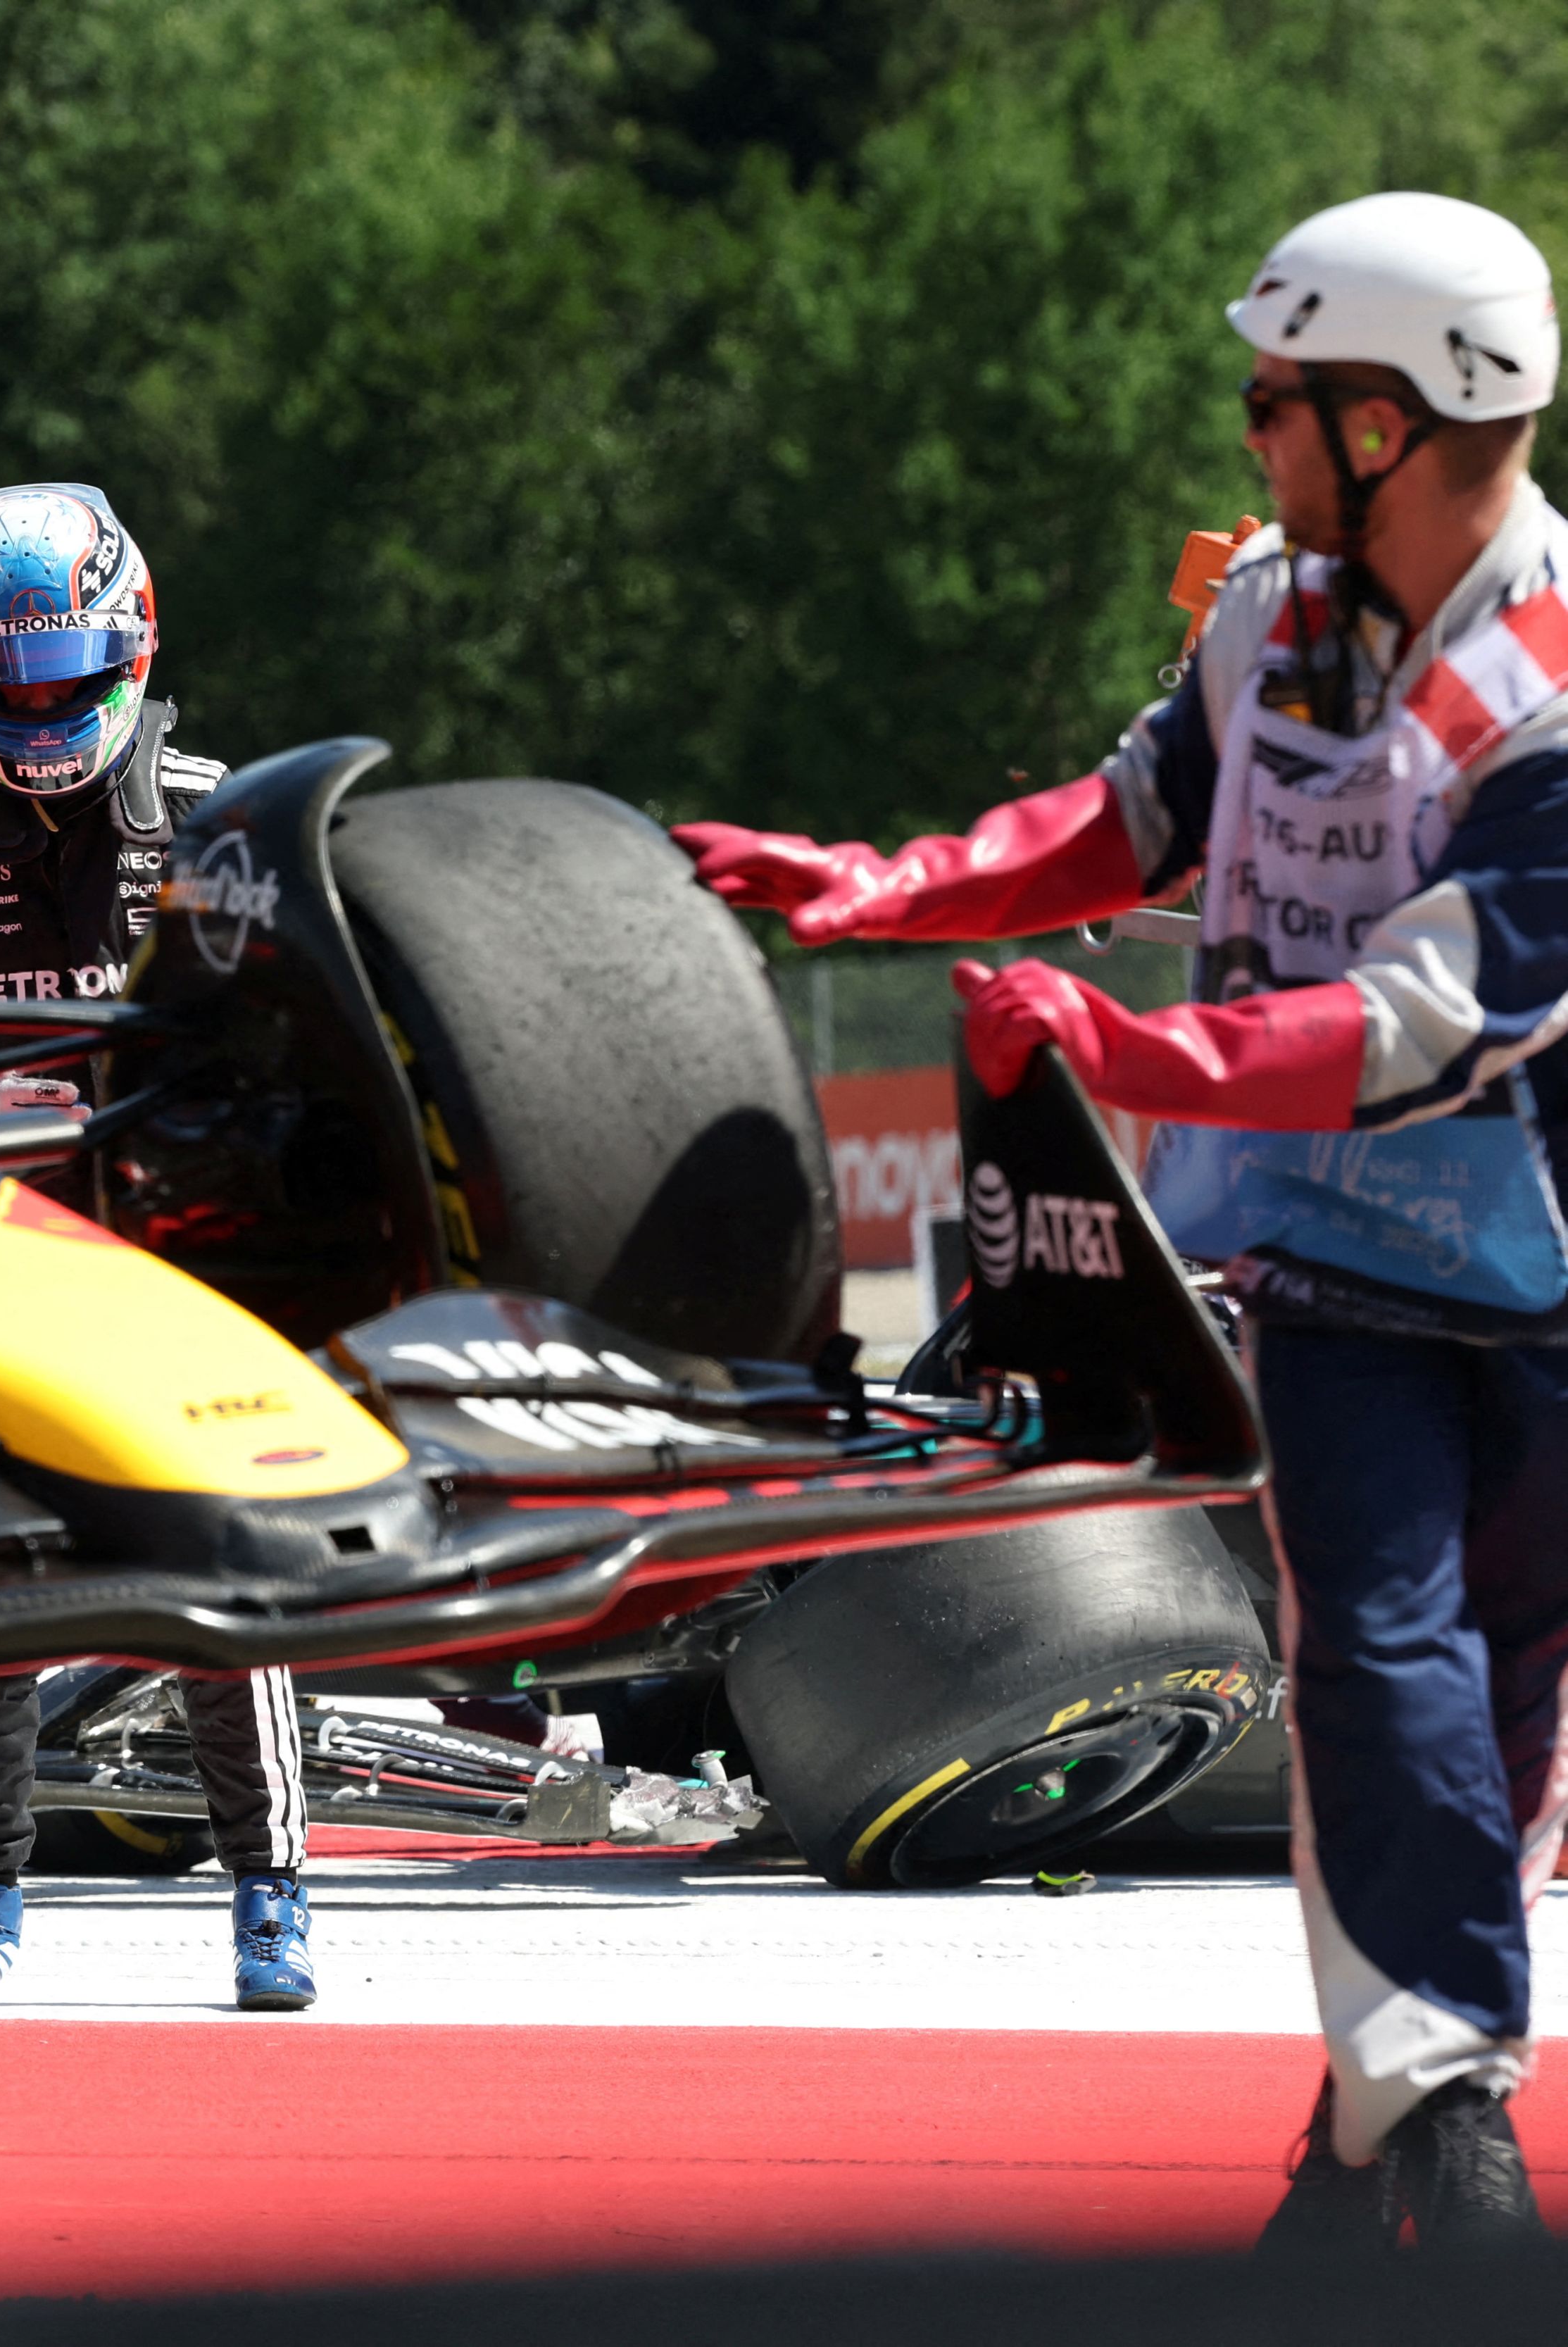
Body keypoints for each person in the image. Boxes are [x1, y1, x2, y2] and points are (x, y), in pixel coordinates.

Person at [677, 192, 1568, 2248]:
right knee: (1379, 1657)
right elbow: (1126, 818)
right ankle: (1450, 2109)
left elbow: (1430, 1018)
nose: (1246, 430)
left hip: (1540, 1265)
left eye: (1276, 398)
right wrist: (886, 885)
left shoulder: (1547, 688)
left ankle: (1366, 2139)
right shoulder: (1266, 608)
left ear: (1394, 419)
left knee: (1503, 1714)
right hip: (1329, 1263)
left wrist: (1127, 1047)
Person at [0, 483, 313, 2013]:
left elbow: (297, 1054)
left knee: (223, 1578)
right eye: (9, 684)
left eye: (68, 676)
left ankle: (271, 1895)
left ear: (133, 644)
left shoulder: (223, 814)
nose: (41, 712)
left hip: (182, 1266)